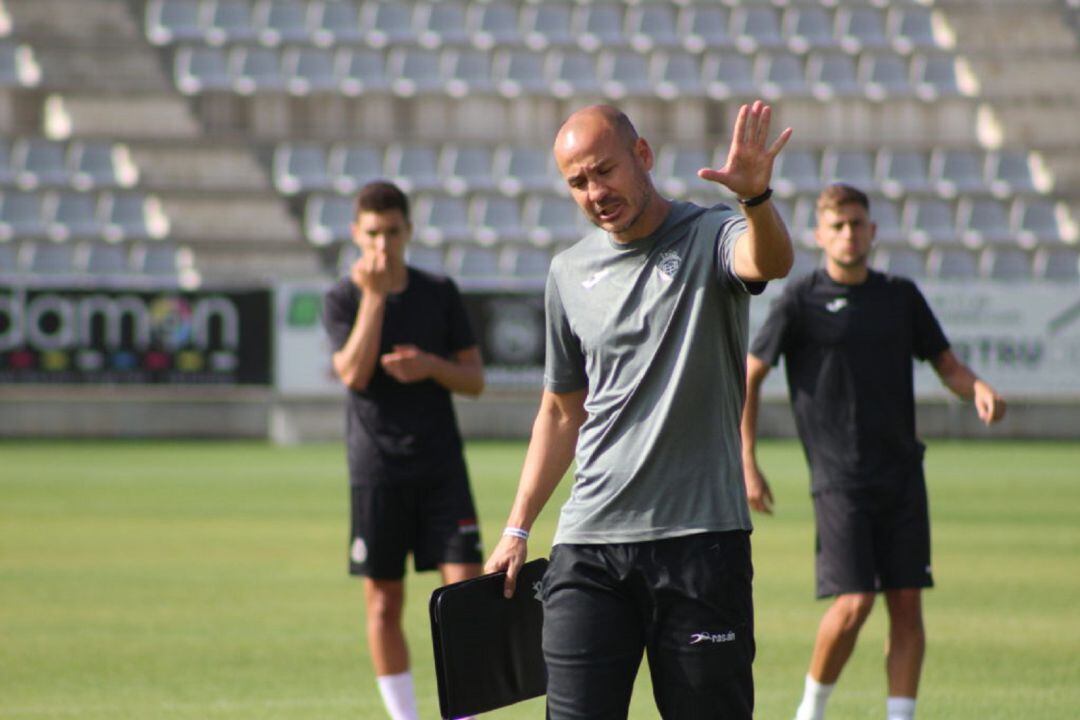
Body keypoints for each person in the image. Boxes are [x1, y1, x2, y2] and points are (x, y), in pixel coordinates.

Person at [484, 101, 794, 719]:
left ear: (643, 156)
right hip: (589, 549)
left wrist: (755, 201)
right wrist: (517, 528)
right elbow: (559, 410)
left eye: (605, 171)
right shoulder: (567, 272)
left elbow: (770, 263)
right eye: (578, 182)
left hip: (702, 545)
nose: (596, 192)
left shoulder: (711, 234)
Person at [740, 183, 1007, 720]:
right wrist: (746, 459)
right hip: (839, 478)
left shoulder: (900, 296)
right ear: (819, 234)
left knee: (907, 604)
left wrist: (976, 387)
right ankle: (809, 712)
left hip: (903, 473)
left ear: (873, 231)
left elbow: (947, 365)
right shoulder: (799, 301)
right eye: (837, 226)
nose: (849, 234)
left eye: (857, 223)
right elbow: (750, 376)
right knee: (854, 602)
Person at [322, 181, 485, 720]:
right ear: (356, 233)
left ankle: (460, 715)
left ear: (409, 230)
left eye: (393, 232)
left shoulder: (438, 291)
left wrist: (431, 366)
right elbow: (352, 373)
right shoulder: (343, 297)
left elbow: (474, 379)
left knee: (466, 603)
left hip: (441, 467)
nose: (383, 245)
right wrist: (374, 296)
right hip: (378, 471)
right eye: (372, 233)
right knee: (384, 602)